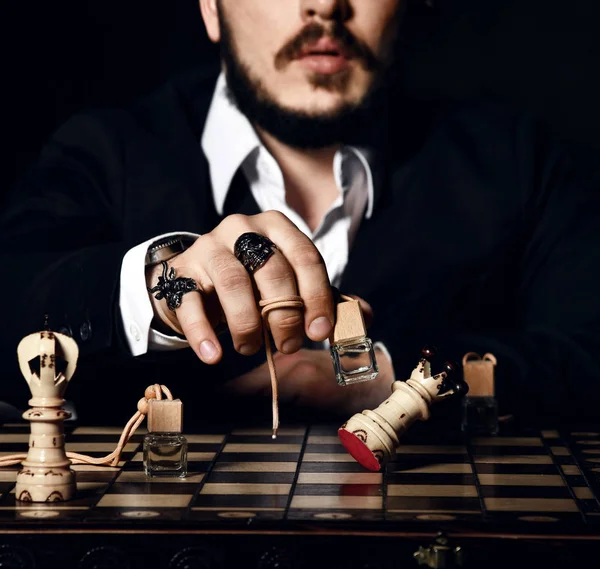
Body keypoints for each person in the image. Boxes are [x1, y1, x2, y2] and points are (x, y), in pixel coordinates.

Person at [1, 0, 599, 426]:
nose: (325, 6)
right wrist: (161, 283)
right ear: (211, 9)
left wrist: (375, 379)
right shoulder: (104, 151)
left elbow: (586, 355)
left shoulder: (517, 160)